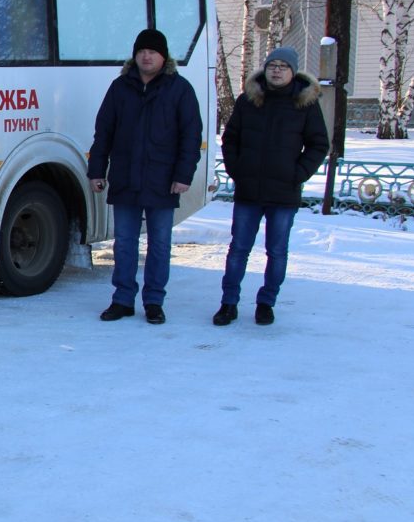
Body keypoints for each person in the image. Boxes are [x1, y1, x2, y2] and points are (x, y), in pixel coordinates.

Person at [87, 28, 202, 325]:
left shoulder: (179, 89)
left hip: (163, 180)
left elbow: (191, 136)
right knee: (124, 243)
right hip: (126, 177)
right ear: (135, 55)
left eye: (152, 51)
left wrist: (183, 175)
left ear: (164, 57)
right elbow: (104, 131)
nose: (146, 56)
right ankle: (123, 299)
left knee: (160, 244)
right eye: (141, 51)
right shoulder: (120, 87)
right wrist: (97, 171)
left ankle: (154, 301)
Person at [213, 46, 329, 326]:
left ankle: (266, 302)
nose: (276, 70)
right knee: (239, 248)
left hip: (283, 192)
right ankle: (228, 303)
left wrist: (297, 173)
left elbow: (319, 144)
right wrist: (237, 170)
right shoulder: (248, 100)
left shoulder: (305, 103)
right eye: (272, 65)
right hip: (249, 191)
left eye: (283, 66)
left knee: (276, 251)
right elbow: (230, 139)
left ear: (293, 71)